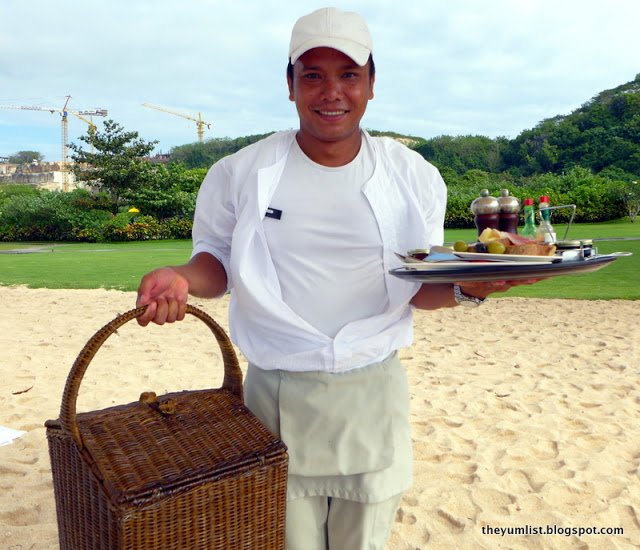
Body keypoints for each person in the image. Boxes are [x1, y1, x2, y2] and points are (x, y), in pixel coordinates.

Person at [136, 7, 539, 549]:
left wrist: (473, 286)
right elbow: (217, 263)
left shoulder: (413, 176)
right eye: (313, 75)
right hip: (273, 396)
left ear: (372, 83)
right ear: (289, 85)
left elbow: (420, 288)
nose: (332, 92)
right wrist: (180, 277)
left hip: (371, 394)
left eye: (349, 75)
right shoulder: (239, 172)